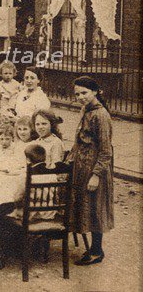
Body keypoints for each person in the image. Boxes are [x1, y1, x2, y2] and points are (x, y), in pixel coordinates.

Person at [67, 76, 114, 266]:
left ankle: (97, 251)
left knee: (96, 208)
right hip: (82, 166)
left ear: (95, 92)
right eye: (77, 93)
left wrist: (96, 175)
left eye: (84, 93)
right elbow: (79, 139)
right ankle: (94, 248)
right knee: (87, 207)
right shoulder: (85, 109)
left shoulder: (101, 115)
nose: (80, 97)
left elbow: (105, 150)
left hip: (95, 169)